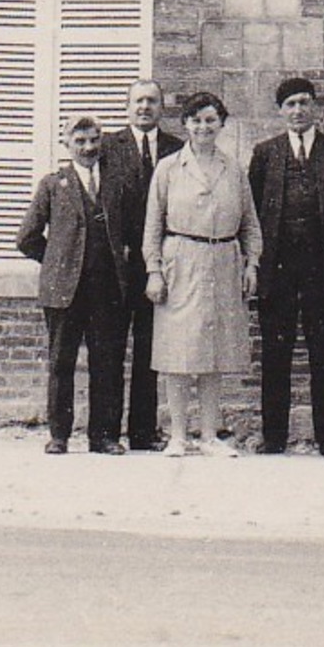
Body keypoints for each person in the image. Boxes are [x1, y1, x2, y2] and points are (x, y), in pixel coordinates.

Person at [143, 92, 262, 458]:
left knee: (215, 351)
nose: (203, 127)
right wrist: (154, 271)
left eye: (211, 120)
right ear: (185, 125)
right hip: (181, 259)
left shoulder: (233, 168)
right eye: (196, 120)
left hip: (223, 260)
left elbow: (251, 225)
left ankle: (210, 435)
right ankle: (178, 434)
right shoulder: (168, 168)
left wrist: (251, 264)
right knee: (178, 351)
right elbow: (152, 226)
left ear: (221, 124)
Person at [248, 76, 324, 458]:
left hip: (321, 269)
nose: (298, 110)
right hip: (276, 269)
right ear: (280, 111)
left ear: (315, 107)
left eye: (304, 103)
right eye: (290, 104)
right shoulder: (265, 153)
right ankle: (274, 437)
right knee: (275, 355)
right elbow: (253, 213)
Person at [16, 114, 136, 456]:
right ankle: (59, 435)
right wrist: (56, 262)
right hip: (64, 291)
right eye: (80, 141)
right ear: (66, 144)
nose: (88, 148)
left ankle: (105, 436)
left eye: (94, 140)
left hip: (108, 290)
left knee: (108, 364)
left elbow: (131, 233)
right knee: (62, 362)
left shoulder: (117, 183)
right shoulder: (54, 185)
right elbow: (26, 238)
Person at [99, 79, 183, 451]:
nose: (145, 107)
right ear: (127, 107)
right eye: (138, 101)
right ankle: (106, 431)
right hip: (117, 267)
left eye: (152, 101)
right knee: (111, 349)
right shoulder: (105, 148)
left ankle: (143, 431)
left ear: (161, 108)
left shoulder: (177, 150)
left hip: (158, 266)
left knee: (151, 350)